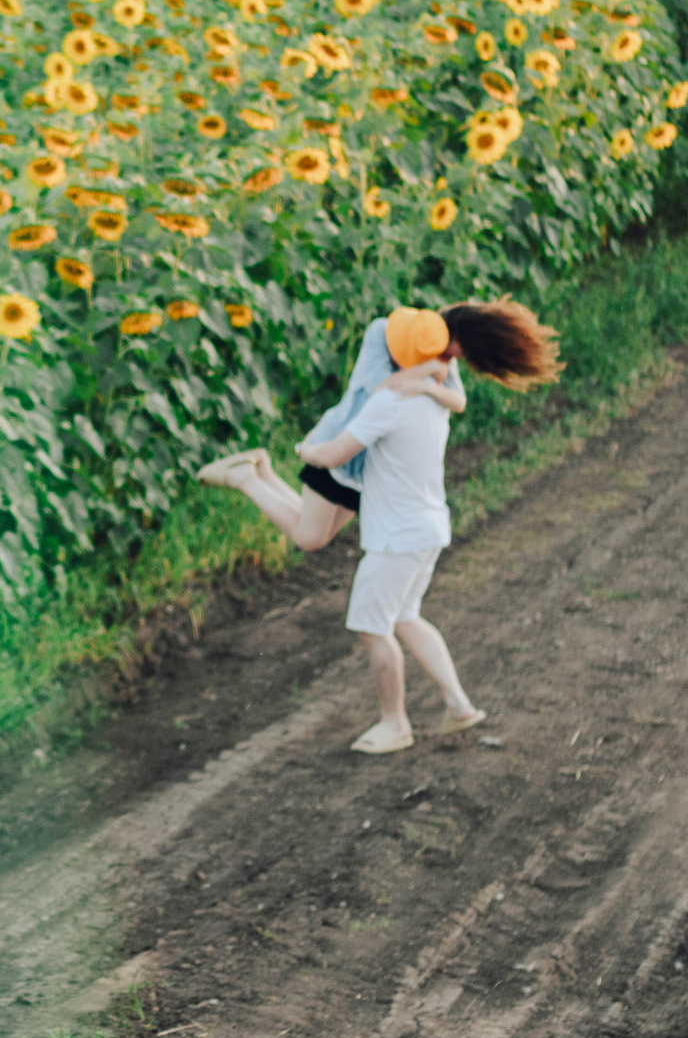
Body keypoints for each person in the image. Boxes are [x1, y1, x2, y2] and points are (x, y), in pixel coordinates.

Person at [200, 300, 563, 754]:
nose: (452, 362)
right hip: (358, 458)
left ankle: (399, 723)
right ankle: (456, 706)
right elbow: (379, 391)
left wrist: (424, 382)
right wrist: (425, 379)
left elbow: (443, 397)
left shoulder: (425, 372)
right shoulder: (397, 353)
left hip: (367, 471)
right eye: (456, 353)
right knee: (326, 550)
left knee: (366, 612)